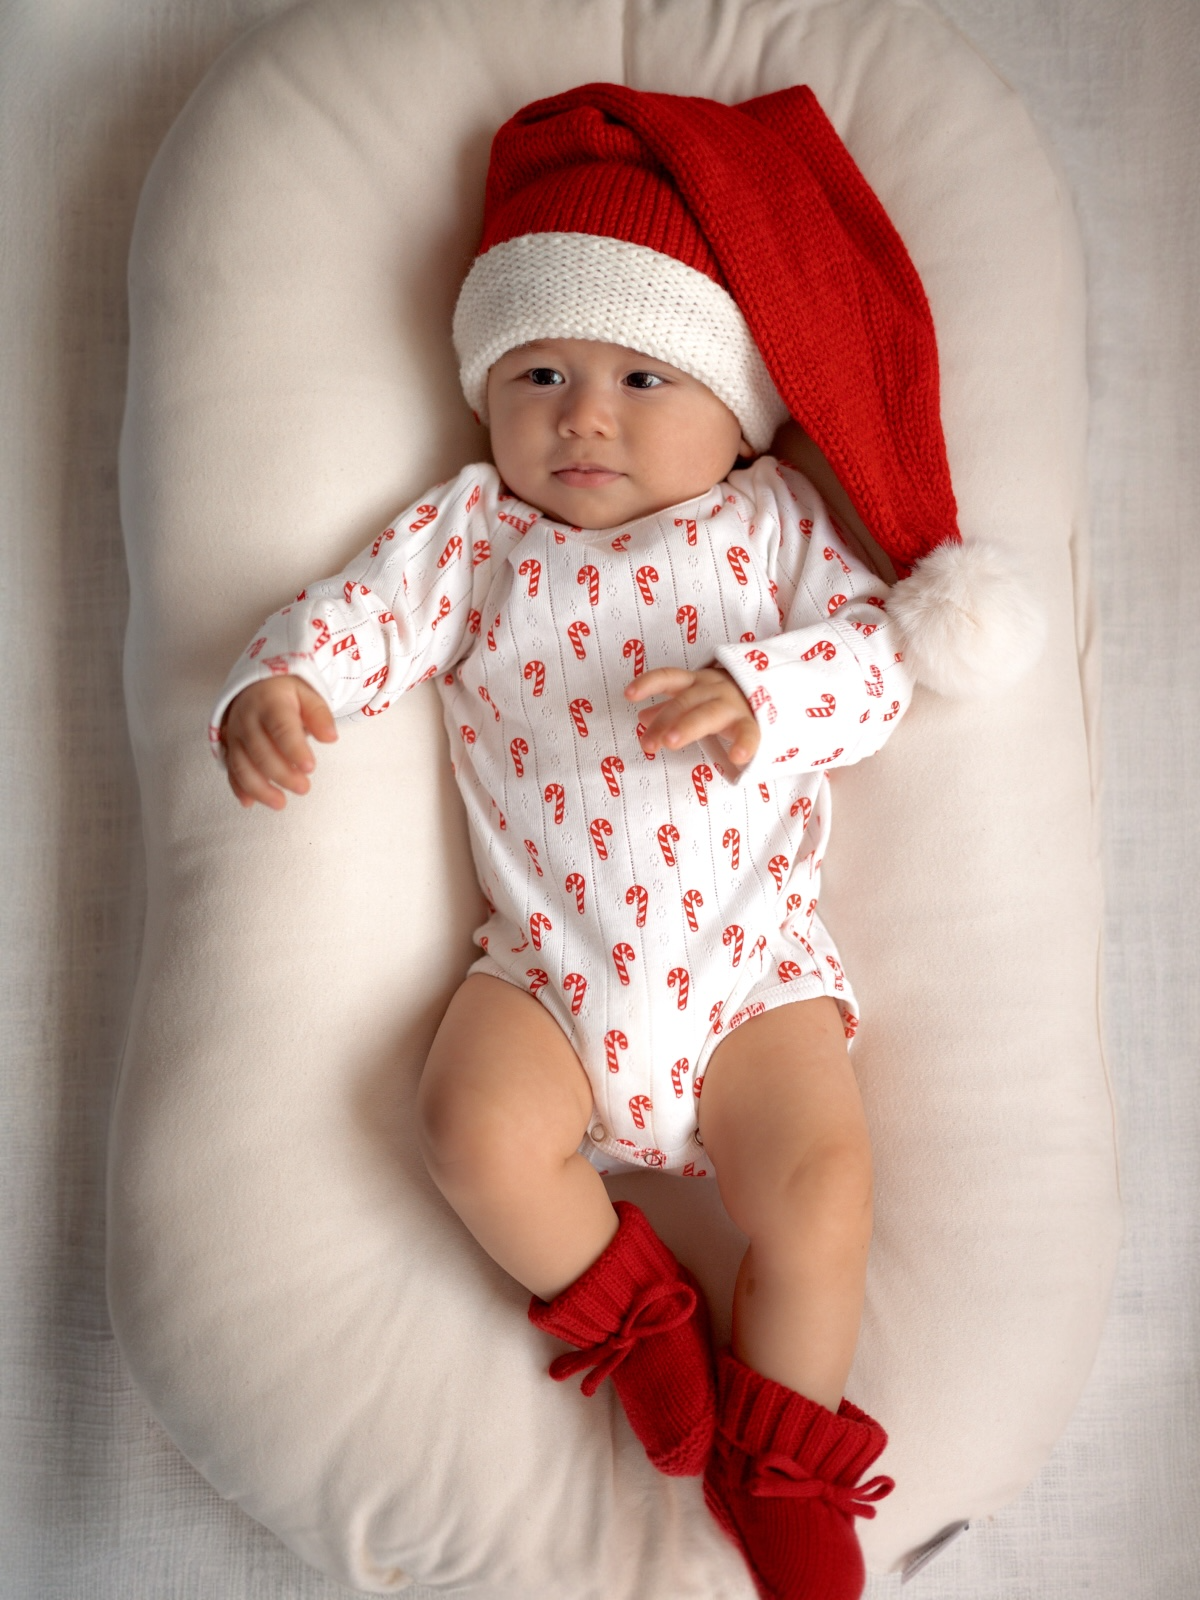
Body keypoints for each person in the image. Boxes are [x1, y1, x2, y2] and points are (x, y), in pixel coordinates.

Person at [210, 83, 1040, 1600]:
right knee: (467, 1125)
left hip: (749, 983)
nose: (585, 413)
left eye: (647, 374)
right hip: (546, 974)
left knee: (823, 1185)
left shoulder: (771, 526)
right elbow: (369, 616)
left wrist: (758, 689)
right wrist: (283, 682)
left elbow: (879, 666)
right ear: (486, 397)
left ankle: (783, 1462)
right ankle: (630, 1306)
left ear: (740, 409)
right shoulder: (475, 535)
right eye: (539, 370)